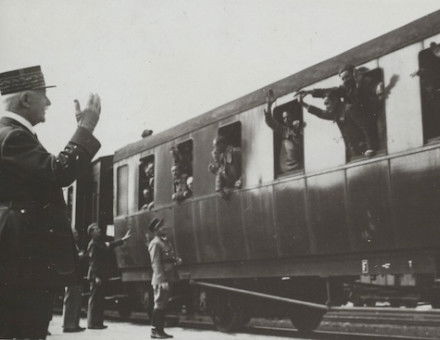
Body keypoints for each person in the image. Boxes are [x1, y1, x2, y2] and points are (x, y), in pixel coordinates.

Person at [0, 65, 101, 340]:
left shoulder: (11, 134)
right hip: (24, 259)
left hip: (18, 257)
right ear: (25, 99)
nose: (48, 102)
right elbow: (59, 172)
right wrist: (85, 128)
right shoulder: (12, 137)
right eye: (43, 95)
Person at [298, 90, 369, 160]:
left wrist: (370, 148)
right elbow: (320, 113)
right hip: (354, 153)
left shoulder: (349, 109)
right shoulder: (336, 113)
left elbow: (365, 128)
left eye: (327, 103)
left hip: (365, 152)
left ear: (335, 101)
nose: (326, 107)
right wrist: (303, 104)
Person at [86, 223, 131, 329]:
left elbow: (110, 244)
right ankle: (92, 323)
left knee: (99, 299)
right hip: (96, 276)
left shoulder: (99, 243)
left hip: (101, 275)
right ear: (92, 232)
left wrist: (123, 240)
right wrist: (96, 276)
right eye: (96, 229)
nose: (99, 230)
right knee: (95, 300)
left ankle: (98, 323)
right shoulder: (93, 244)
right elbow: (93, 262)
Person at [148, 218, 182, 339]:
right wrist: (162, 280)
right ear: (156, 230)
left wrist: (175, 260)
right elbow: (156, 264)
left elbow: (167, 258)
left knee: (163, 304)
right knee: (159, 304)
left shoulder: (165, 242)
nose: (164, 228)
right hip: (161, 279)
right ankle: (155, 331)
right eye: (161, 227)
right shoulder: (155, 243)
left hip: (169, 277)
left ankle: (160, 331)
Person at [264, 89, 304, 172]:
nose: (286, 119)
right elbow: (270, 122)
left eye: (288, 117)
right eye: (284, 118)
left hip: (299, 167)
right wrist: (269, 105)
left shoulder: (301, 126)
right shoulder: (284, 130)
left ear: (293, 116)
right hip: (287, 169)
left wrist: (298, 130)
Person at [62, 229, 86, 333]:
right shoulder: (69, 245)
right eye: (75, 233)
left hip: (76, 277)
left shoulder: (74, 245)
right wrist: (80, 256)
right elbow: (70, 259)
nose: (77, 235)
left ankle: (74, 324)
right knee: (71, 301)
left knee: (75, 301)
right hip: (72, 277)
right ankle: (68, 325)